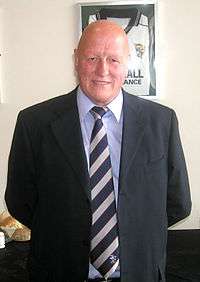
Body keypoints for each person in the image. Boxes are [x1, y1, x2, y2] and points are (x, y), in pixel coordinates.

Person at [5, 20, 191, 282]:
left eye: (113, 59)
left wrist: (131, 232)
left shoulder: (161, 122)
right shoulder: (34, 123)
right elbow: (19, 200)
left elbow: (178, 203)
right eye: (92, 57)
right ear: (76, 60)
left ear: (127, 63)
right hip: (58, 271)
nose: (103, 70)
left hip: (140, 273)